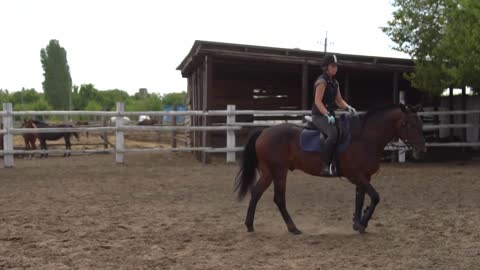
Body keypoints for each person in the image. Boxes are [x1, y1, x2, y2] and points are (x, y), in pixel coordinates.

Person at [311, 54, 357, 176]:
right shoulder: (322, 82)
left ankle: (337, 162)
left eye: (336, 66)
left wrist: (348, 107)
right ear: (326, 67)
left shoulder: (335, 82)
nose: (335, 68)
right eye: (333, 66)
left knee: (344, 131)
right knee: (333, 134)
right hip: (319, 115)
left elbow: (339, 101)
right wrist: (326, 114)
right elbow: (318, 101)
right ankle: (324, 165)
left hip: (329, 115)